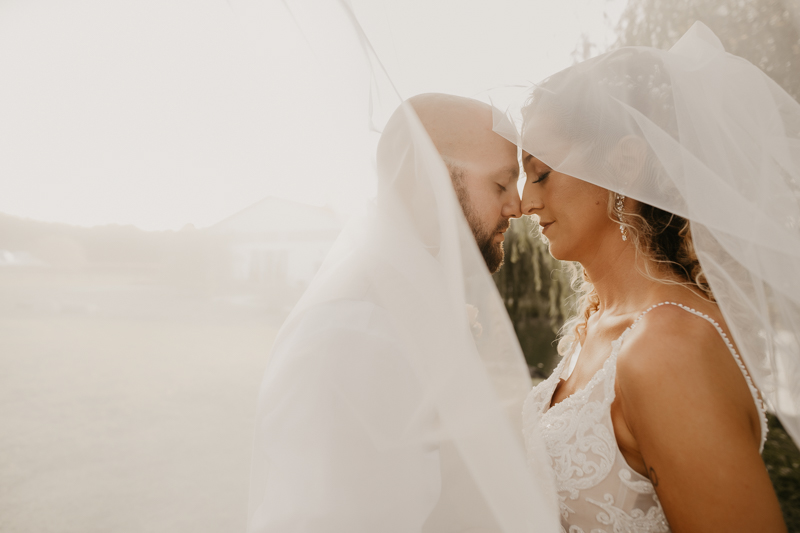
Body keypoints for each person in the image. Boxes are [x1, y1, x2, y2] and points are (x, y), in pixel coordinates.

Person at [502, 22, 798, 532]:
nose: (527, 202)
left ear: (624, 164)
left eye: (543, 172)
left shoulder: (670, 348)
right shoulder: (597, 324)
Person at [246, 93, 559, 532]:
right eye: (500, 184)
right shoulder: (357, 333)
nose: (519, 207)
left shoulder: (404, 304)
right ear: (424, 180)